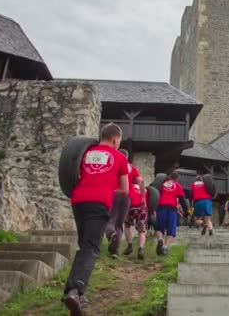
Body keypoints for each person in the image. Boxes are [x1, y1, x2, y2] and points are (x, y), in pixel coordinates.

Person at [62, 123, 129, 315]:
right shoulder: (120, 157)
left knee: (84, 246)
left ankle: (74, 293)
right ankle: (74, 291)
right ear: (116, 140)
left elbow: (70, 170)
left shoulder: (85, 152)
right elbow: (124, 190)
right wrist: (108, 189)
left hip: (78, 200)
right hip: (98, 204)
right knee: (91, 248)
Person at [105, 149, 144, 257]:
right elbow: (140, 181)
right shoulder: (132, 168)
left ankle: (111, 235)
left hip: (114, 194)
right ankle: (115, 251)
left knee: (110, 220)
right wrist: (143, 197)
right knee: (119, 224)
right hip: (126, 197)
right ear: (127, 157)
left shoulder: (113, 164)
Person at [155, 171, 186, 256]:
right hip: (172, 209)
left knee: (159, 228)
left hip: (161, 208)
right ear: (176, 179)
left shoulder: (161, 185)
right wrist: (186, 212)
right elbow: (182, 200)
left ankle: (160, 239)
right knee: (171, 231)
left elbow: (155, 195)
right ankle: (165, 247)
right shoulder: (178, 186)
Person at [123, 183, 148, 259]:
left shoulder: (129, 186)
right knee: (142, 230)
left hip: (131, 208)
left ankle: (130, 245)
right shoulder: (145, 189)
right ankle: (141, 248)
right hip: (142, 209)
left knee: (127, 226)